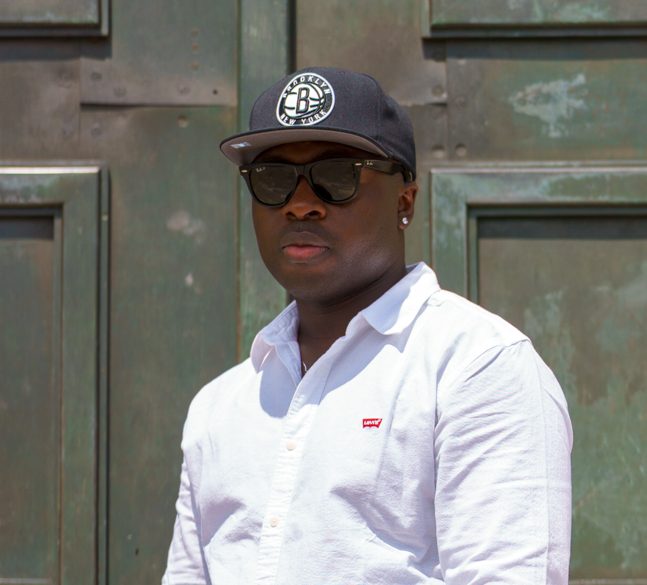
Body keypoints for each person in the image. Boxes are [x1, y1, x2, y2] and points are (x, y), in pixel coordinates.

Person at [162, 67, 573, 584]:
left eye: (337, 177)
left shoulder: (475, 368)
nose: (300, 204)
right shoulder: (221, 405)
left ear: (405, 201)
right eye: (272, 179)